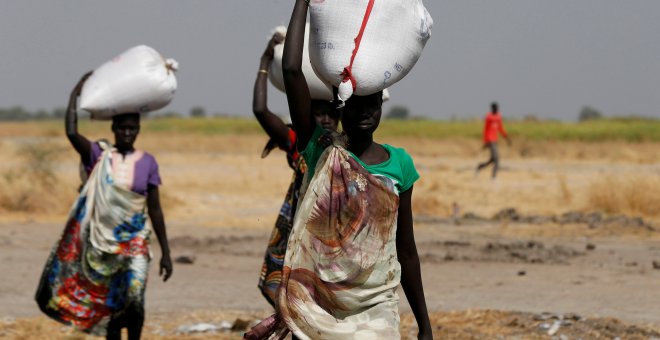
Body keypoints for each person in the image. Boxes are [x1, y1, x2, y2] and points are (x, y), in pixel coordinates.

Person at [245, 1, 432, 339]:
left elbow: (406, 249)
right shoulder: (320, 149)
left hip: (377, 307)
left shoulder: (400, 165)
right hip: (319, 306)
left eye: (372, 105)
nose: (365, 113)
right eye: (356, 105)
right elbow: (291, 71)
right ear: (340, 107)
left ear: (381, 108)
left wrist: (425, 325)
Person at [35, 72, 173, 340]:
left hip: (136, 243)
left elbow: (155, 209)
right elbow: (72, 132)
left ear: (139, 130)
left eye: (132, 128)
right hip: (102, 244)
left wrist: (166, 252)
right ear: (113, 129)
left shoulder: (148, 162)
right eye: (122, 128)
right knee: (111, 304)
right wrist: (75, 94)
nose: (127, 133)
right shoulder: (99, 155)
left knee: (135, 300)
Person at [253, 32, 340, 308]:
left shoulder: (350, 147)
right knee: (299, 307)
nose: (325, 119)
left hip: (338, 236)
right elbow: (260, 110)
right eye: (318, 112)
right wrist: (265, 62)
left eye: (331, 112)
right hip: (302, 235)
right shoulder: (300, 143)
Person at [476, 102, 511, 179]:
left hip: (495, 140)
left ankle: (479, 167)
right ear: (492, 108)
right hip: (489, 140)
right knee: (497, 159)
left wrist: (507, 138)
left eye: (497, 108)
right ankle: (493, 176)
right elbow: (485, 129)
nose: (496, 109)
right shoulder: (489, 117)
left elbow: (500, 128)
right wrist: (485, 141)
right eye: (494, 108)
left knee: (492, 159)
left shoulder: (498, 117)